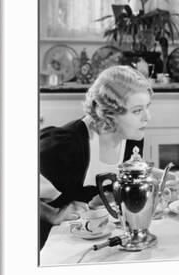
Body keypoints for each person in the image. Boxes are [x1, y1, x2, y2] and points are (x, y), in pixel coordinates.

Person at [39, 65, 153, 249]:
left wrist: (174, 177)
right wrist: (51, 214)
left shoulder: (131, 137)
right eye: (137, 110)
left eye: (147, 107)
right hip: (46, 248)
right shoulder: (65, 146)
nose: (148, 117)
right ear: (109, 113)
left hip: (94, 244)